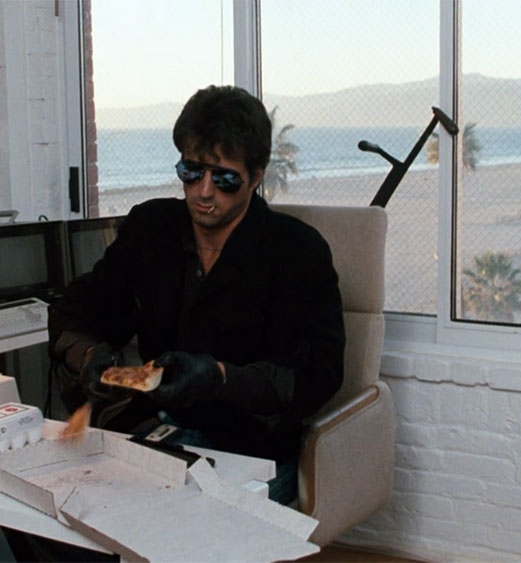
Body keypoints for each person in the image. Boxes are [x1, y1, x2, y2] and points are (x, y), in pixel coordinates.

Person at [48, 85, 345, 506]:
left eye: (224, 179)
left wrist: (219, 377)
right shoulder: (151, 229)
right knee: (56, 504)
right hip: (154, 427)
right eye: (192, 171)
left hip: (252, 447)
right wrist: (88, 355)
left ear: (256, 177)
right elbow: (77, 308)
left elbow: (319, 375)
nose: (204, 192)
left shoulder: (297, 251)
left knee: (175, 525)